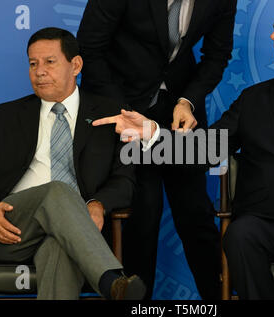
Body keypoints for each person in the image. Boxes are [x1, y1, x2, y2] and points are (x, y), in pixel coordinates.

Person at [92, 1, 274, 299]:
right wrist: (153, 132)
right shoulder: (253, 100)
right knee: (239, 236)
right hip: (266, 226)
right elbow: (205, 150)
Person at [0, 27, 146, 300]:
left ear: (76, 65)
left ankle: (114, 286)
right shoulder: (6, 115)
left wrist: (98, 204)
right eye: (33, 64)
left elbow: (124, 180)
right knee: (58, 189)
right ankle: (109, 279)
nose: (39, 71)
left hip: (77, 230)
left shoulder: (110, 114)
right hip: (14, 228)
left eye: (49, 62)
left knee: (59, 248)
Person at [77, 0, 237, 299]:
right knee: (142, 214)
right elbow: (90, 47)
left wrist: (188, 100)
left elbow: (217, 55)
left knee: (196, 213)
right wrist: (123, 110)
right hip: (122, 106)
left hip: (180, 111)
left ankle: (220, 297)